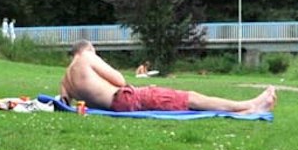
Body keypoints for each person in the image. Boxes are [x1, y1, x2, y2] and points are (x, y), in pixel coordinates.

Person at [60, 40, 275, 114]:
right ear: (87, 48)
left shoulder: (66, 78)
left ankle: (246, 108)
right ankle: (248, 105)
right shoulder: (86, 56)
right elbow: (119, 80)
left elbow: (64, 101)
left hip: (121, 101)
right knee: (190, 98)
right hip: (125, 99)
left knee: (181, 97)